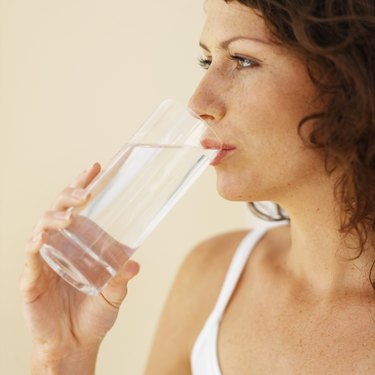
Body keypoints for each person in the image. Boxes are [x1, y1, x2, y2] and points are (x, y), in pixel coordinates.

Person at [20, 0, 375, 373]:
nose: (199, 103)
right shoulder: (211, 278)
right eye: (207, 62)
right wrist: (63, 354)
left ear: (351, 78)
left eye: (243, 60)